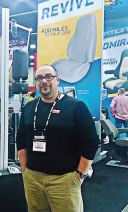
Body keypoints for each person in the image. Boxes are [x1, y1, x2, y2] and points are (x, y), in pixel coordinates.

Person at [16, 65, 99, 212]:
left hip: (64, 180)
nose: (44, 81)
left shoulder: (75, 106)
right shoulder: (29, 107)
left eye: (49, 77)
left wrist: (80, 174)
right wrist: (25, 170)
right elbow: (21, 138)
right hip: (33, 179)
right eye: (39, 78)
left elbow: (91, 141)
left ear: (57, 80)